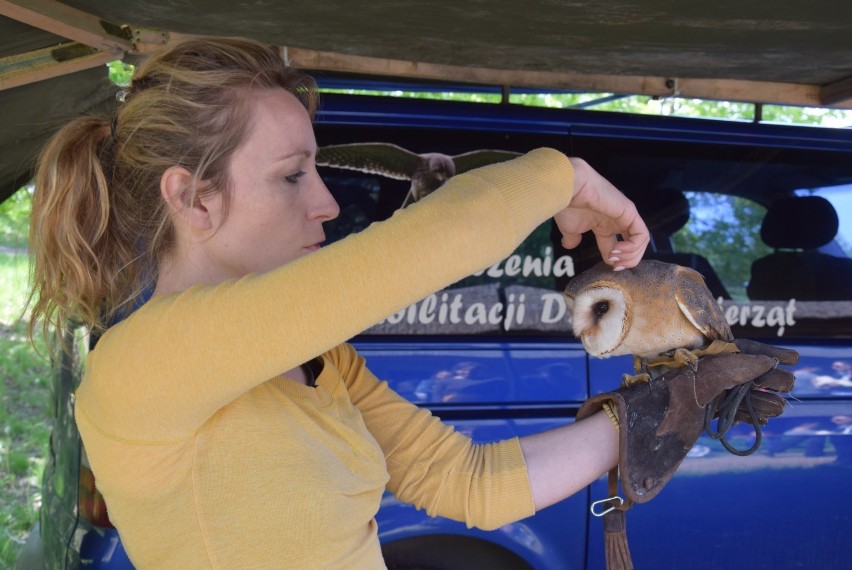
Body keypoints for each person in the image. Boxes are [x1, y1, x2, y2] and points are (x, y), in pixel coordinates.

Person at [26, 37, 792, 569]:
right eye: (294, 175)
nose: (327, 202)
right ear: (193, 198)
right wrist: (569, 177)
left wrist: (659, 410)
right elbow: (424, 243)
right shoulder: (143, 363)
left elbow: (467, 482)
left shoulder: (318, 361)